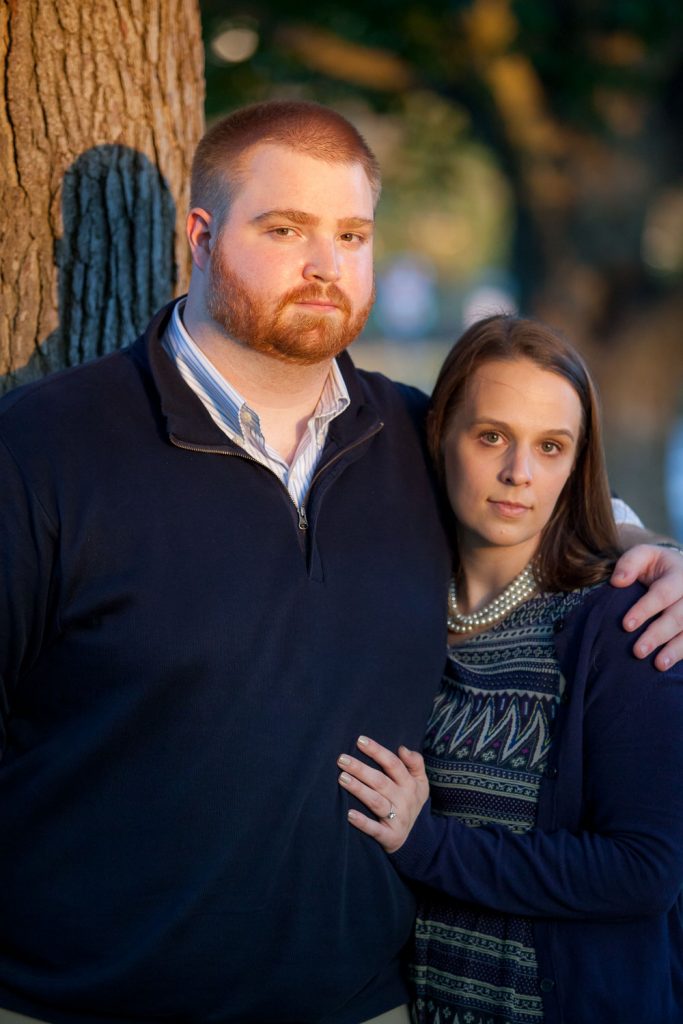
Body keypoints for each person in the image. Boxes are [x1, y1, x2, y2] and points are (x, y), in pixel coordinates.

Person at [0, 102, 681, 1024]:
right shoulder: (44, 449)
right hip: (83, 1004)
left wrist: (653, 552)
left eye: (352, 233)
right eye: (285, 229)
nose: (326, 265)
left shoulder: (412, 437)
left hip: (358, 1005)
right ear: (201, 236)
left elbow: (543, 500)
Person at [336, 314, 683, 1024]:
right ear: (440, 436)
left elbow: (643, 873)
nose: (518, 473)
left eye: (549, 447)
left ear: (575, 464)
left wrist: (429, 845)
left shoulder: (621, 627)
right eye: (490, 435)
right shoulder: (398, 611)